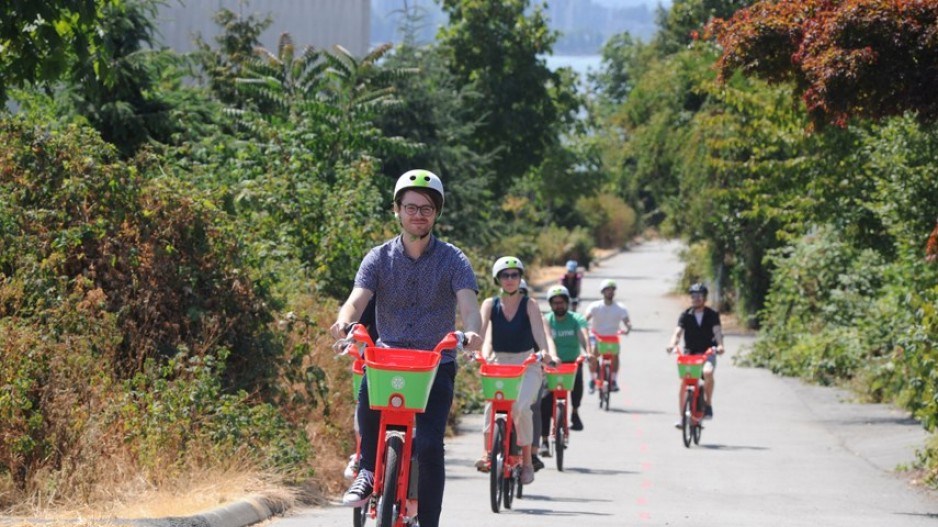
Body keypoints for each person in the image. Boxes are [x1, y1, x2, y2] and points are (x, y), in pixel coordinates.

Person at [329, 169, 483, 527]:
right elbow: (356, 300)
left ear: (436, 214)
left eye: (427, 208)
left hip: (434, 363)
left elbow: (470, 308)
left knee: (429, 445)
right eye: (410, 207)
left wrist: (471, 333)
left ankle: (429, 522)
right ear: (396, 210)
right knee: (369, 401)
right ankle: (367, 470)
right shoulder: (378, 258)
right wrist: (345, 321)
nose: (418, 215)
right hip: (388, 358)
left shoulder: (454, 260)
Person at [474, 256, 559, 485]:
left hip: (527, 362)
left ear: (520, 278)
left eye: (514, 275)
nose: (510, 279)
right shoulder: (490, 305)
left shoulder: (529, 304)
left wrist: (545, 353)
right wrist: (474, 351)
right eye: (505, 275)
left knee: (521, 407)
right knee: (492, 403)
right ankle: (487, 453)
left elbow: (539, 333)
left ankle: (528, 462)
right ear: (498, 279)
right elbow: (480, 334)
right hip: (500, 362)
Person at [539, 285, 592, 457]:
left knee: (577, 387)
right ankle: (544, 441)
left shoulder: (576, 319)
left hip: (571, 363)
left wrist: (589, 353)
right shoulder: (546, 320)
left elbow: (584, 335)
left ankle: (575, 412)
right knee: (545, 402)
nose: (559, 306)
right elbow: (543, 340)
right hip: (552, 366)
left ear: (567, 303)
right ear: (550, 304)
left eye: (562, 302)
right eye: (555, 303)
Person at [667, 283, 725, 427]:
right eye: (693, 296)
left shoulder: (712, 315)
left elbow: (717, 332)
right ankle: (682, 418)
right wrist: (672, 344)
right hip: (690, 354)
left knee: (707, 372)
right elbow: (678, 332)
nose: (696, 299)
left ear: (704, 298)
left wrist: (720, 345)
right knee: (684, 384)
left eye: (699, 296)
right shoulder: (686, 315)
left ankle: (708, 405)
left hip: (707, 353)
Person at [585, 279, 631, 392]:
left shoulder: (620, 308)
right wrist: (584, 326)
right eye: (607, 290)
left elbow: (626, 321)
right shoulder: (595, 306)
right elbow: (585, 318)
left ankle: (614, 380)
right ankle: (592, 379)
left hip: (612, 338)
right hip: (597, 336)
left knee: (615, 356)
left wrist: (628, 327)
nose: (610, 292)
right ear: (603, 292)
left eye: (612, 290)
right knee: (593, 356)